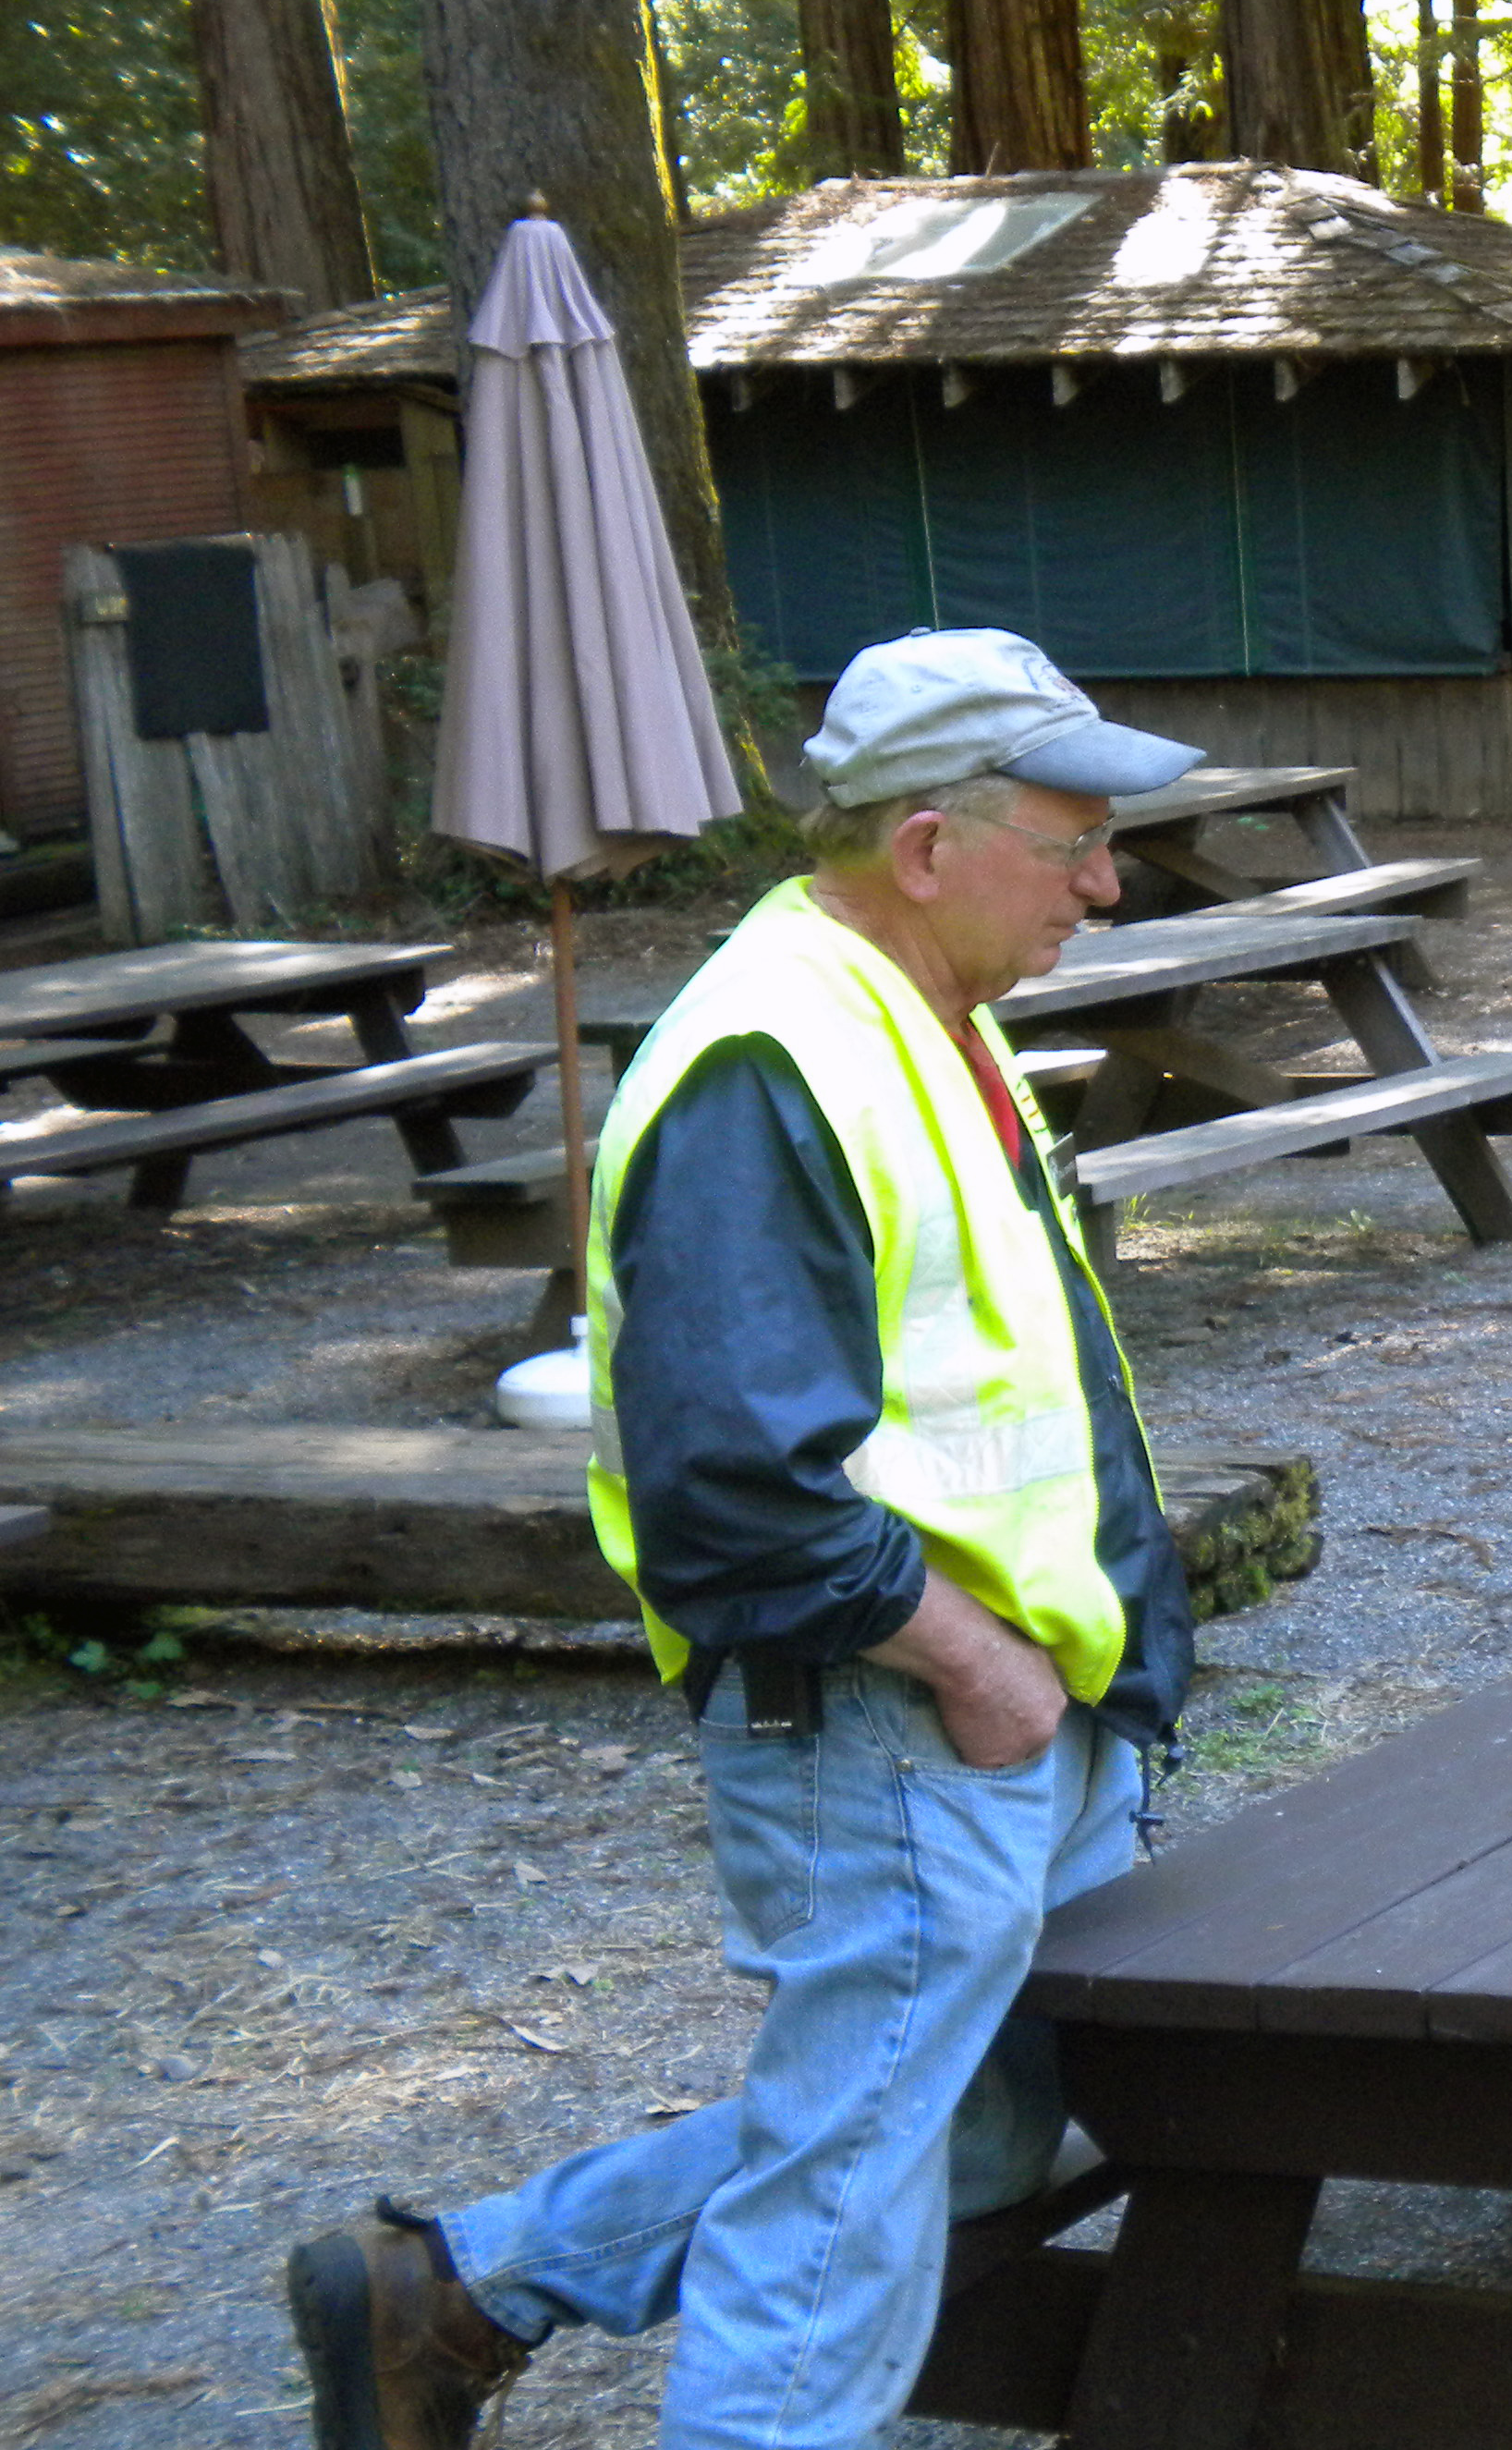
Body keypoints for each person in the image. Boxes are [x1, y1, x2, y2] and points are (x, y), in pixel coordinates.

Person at [282, 628, 1207, 2450]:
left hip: (1013, 1711)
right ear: (929, 847)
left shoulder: (918, 1008)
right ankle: (475, 2299)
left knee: (965, 2133)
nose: (1111, 881)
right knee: (845, 2217)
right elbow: (735, 1499)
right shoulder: (764, 1060)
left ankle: (457, 2291)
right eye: (1074, 839)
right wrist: (981, 1663)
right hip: (907, 1721)